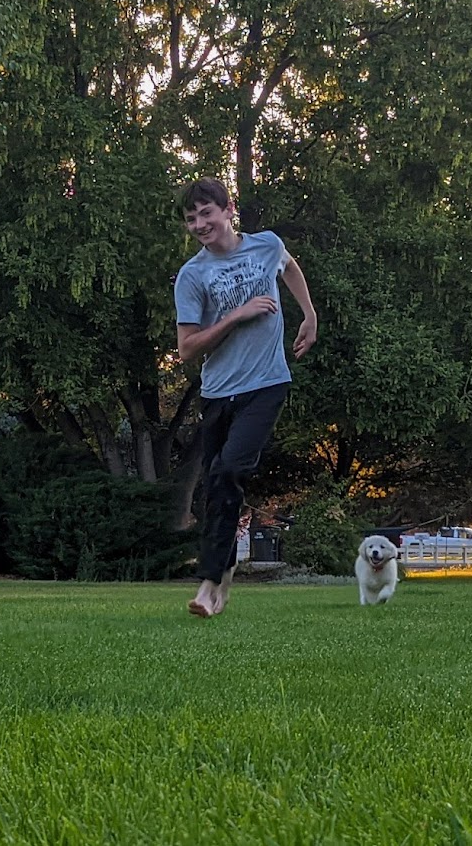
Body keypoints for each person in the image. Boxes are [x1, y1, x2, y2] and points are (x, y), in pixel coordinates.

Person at [173, 177, 317, 618]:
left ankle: (208, 584)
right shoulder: (192, 275)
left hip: (267, 383)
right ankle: (224, 573)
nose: (199, 224)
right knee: (216, 484)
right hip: (218, 392)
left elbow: (289, 266)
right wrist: (237, 315)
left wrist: (309, 315)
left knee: (231, 468)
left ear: (229, 209)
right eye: (191, 218)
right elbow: (187, 350)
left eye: (206, 213)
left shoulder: (266, 245)